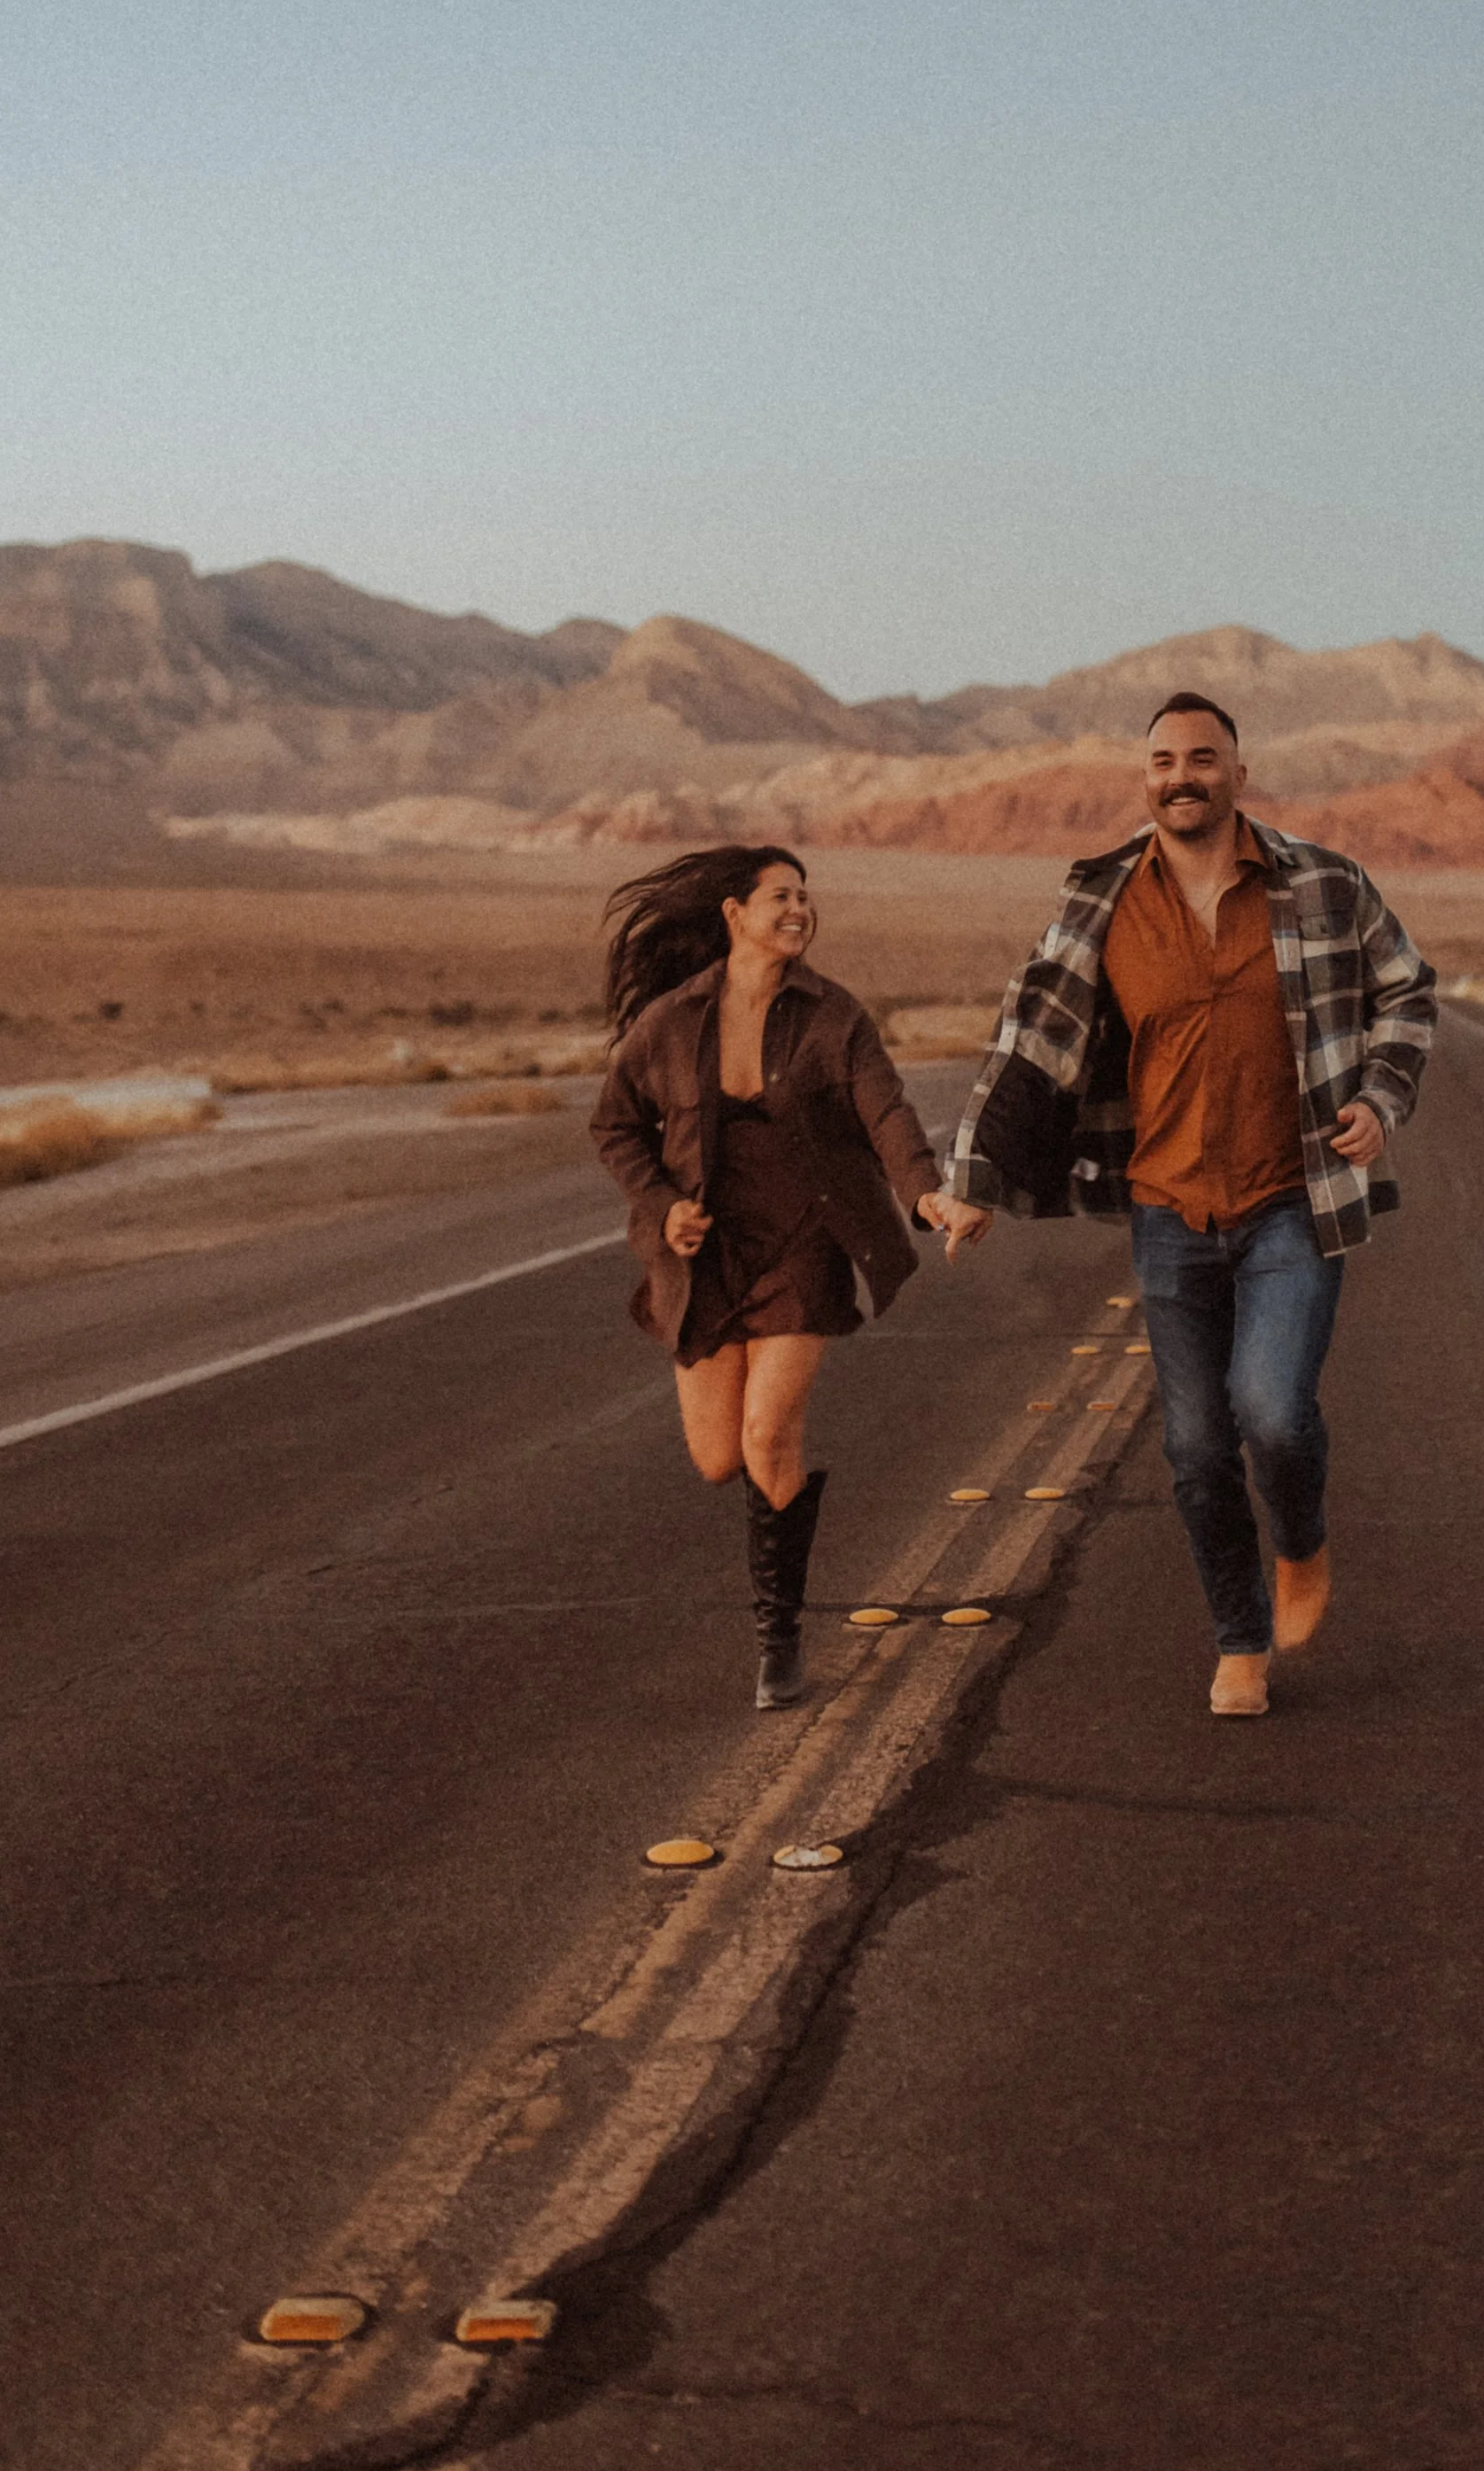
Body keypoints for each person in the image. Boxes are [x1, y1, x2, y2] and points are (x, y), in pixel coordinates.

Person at [944, 694, 1436, 1717]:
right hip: (1167, 1208)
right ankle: (1238, 1639)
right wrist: (973, 1179)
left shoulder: (1322, 883)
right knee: (1195, 1444)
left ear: (1238, 775)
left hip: (1292, 1199)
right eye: (1164, 759)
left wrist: (1380, 1097)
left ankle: (1298, 1541)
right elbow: (1024, 1041)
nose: (1183, 775)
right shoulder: (1102, 903)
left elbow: (1407, 989)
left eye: (1203, 758)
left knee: (1271, 1413)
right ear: (1145, 779)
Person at [592, 843, 990, 1709]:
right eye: (781, 896)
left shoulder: (833, 1017)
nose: (800, 910)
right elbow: (615, 1125)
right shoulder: (668, 1020)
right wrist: (662, 1205)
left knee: (769, 1436)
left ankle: (779, 1640)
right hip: (702, 1259)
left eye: (805, 897)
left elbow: (888, 1119)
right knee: (715, 1457)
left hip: (802, 1245)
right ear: (734, 915)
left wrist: (929, 1199)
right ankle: (776, 1594)